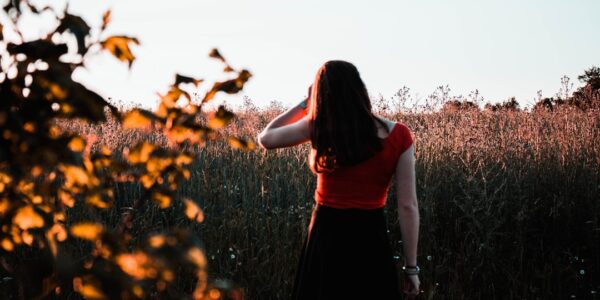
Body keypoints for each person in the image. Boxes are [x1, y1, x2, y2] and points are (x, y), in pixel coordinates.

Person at [258, 60, 420, 299]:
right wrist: (411, 267)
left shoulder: (319, 127)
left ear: (322, 93)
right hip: (370, 237)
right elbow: (408, 206)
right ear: (360, 89)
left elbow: (266, 138)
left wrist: (305, 104)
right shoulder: (399, 135)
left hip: (327, 235)